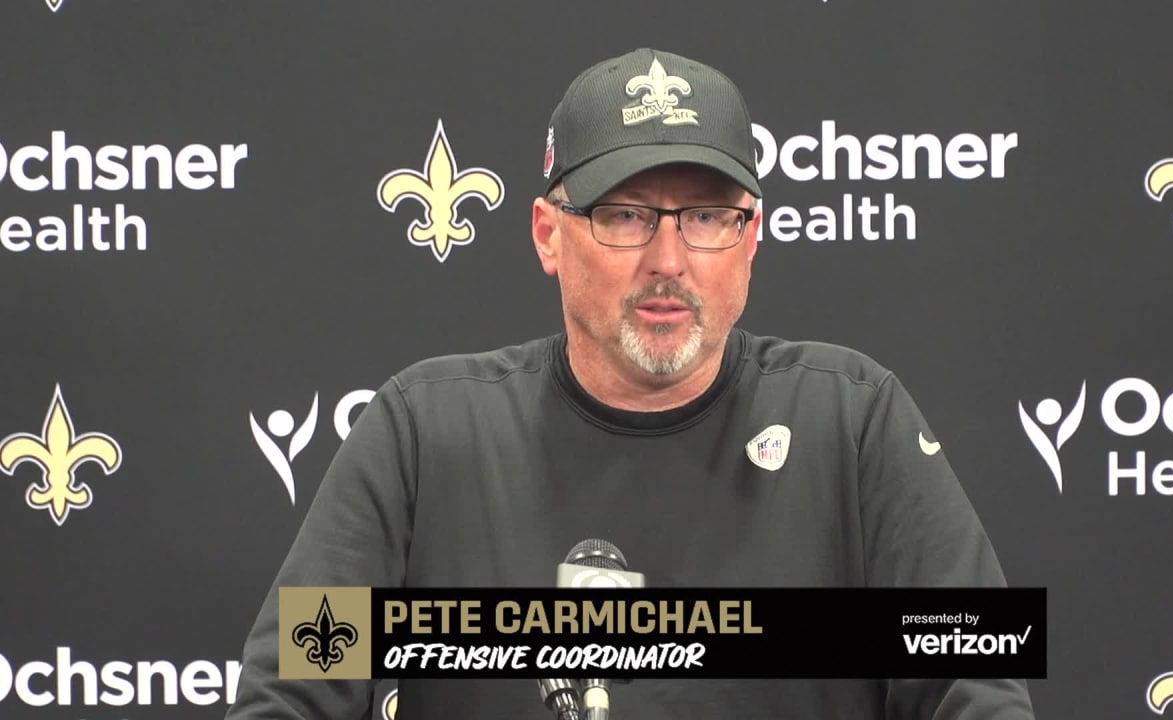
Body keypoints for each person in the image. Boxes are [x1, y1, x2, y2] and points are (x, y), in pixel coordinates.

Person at [226, 47, 1036, 719]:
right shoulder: (423, 432)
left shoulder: (855, 421)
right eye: (625, 215)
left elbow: (981, 694)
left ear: (752, 236)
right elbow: (289, 692)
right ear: (549, 233)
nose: (669, 262)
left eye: (707, 217)